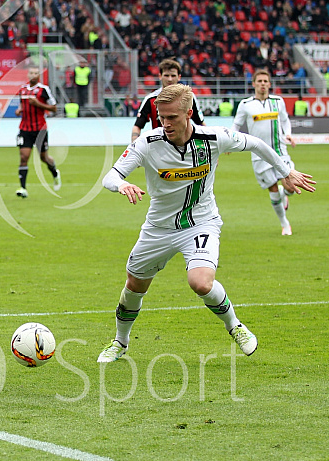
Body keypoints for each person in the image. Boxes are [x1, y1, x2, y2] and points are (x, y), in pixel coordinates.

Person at [97, 84, 316, 363]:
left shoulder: (214, 137)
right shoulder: (147, 143)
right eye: (161, 117)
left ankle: (235, 326)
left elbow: (257, 144)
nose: (165, 123)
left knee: (200, 282)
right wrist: (122, 185)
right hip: (158, 228)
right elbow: (110, 176)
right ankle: (120, 342)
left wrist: (286, 172)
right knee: (134, 286)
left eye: (172, 117)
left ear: (188, 113)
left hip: (201, 223)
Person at [232, 70, 297, 236]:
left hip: (280, 151)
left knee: (291, 186)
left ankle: (285, 193)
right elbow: (236, 126)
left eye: (265, 81)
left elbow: (284, 120)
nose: (262, 84)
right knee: (273, 188)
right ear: (253, 84)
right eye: (259, 81)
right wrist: (230, 142)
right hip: (259, 155)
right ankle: (285, 224)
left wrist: (288, 133)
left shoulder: (278, 101)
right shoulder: (246, 105)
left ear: (269, 84)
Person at [131, 59, 205, 142]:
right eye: (166, 75)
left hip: (184, 146)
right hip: (160, 148)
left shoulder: (189, 97)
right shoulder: (150, 99)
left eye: (173, 76)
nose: (170, 79)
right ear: (160, 76)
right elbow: (137, 126)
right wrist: (134, 146)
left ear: (179, 77)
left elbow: (201, 124)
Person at [14, 67, 60, 198]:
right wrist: (20, 110)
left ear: (39, 76)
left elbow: (54, 108)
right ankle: (23, 188)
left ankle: (55, 173)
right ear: (28, 74)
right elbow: (22, 105)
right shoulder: (22, 90)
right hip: (24, 129)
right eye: (31, 73)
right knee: (24, 157)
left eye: (36, 73)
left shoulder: (43, 90)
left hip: (40, 130)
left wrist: (38, 104)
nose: (33, 75)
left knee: (44, 158)